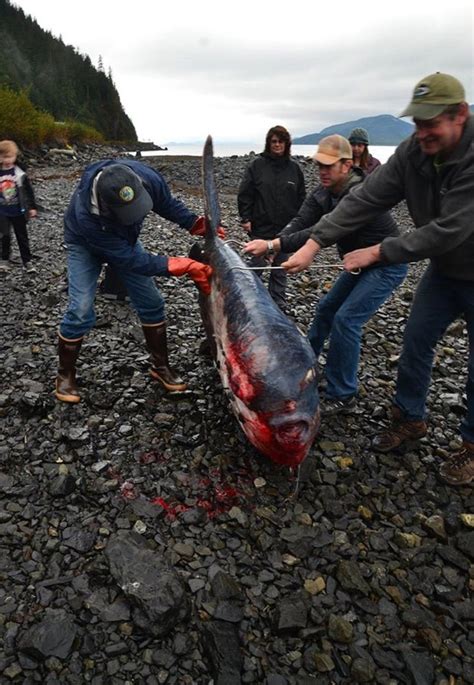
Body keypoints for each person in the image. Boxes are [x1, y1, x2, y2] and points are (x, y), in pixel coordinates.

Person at [283, 72, 474, 486]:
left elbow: (450, 228)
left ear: (460, 115)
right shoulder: (413, 153)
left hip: (460, 260)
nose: (421, 132)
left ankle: (471, 447)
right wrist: (315, 243)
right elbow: (368, 198)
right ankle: (410, 418)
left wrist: (378, 251)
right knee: (416, 343)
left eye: (431, 123)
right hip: (444, 270)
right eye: (417, 123)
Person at [244, 134, 407, 415]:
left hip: (386, 265)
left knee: (346, 321)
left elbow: (324, 229)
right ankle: (304, 369)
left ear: (346, 165)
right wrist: (277, 244)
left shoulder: (360, 192)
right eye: (319, 164)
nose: (322, 171)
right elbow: (301, 221)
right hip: (356, 264)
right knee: (325, 310)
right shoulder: (322, 192)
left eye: (328, 166)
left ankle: (343, 394)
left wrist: (273, 243)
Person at [56, 160, 217, 403]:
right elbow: (130, 260)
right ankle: (64, 375)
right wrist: (176, 264)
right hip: (84, 245)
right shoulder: (87, 216)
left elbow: (165, 203)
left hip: (124, 242)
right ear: (105, 205)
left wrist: (194, 223)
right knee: (80, 310)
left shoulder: (146, 177)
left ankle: (160, 366)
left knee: (152, 302)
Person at [237, 125, 305, 311]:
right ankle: (249, 301)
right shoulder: (256, 166)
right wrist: (245, 218)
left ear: (286, 144)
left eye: (280, 141)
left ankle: (277, 303)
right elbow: (245, 193)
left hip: (286, 229)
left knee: (281, 267)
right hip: (260, 225)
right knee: (257, 265)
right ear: (268, 143)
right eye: (273, 141)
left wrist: (299, 224)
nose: (277, 145)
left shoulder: (294, 169)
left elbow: (301, 198)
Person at [0, 140, 38, 273]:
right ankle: (4, 260)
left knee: (22, 236)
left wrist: (32, 207)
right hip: (3, 211)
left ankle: (27, 261)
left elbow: (28, 191)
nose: (8, 160)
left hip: (18, 210)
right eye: (5, 157)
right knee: (4, 236)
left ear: (15, 156)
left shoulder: (19, 173)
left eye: (10, 156)